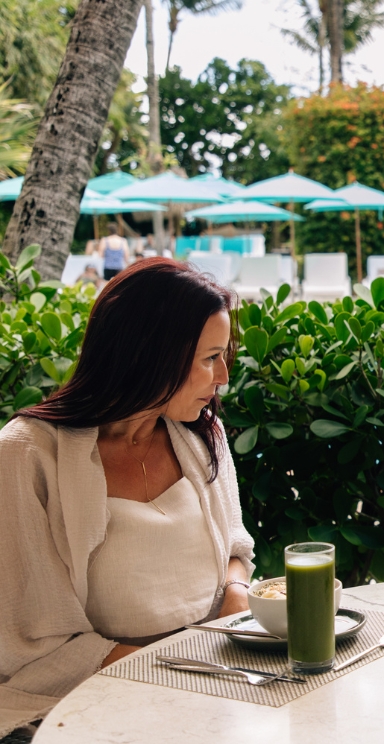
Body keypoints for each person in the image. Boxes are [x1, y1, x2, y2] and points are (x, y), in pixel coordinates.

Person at [0, 259, 255, 738]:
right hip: (78, 703)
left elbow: (235, 551)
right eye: (209, 358)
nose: (223, 376)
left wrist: (237, 599)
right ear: (149, 353)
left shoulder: (202, 435)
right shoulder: (27, 453)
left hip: (212, 676)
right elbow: (31, 635)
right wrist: (176, 676)